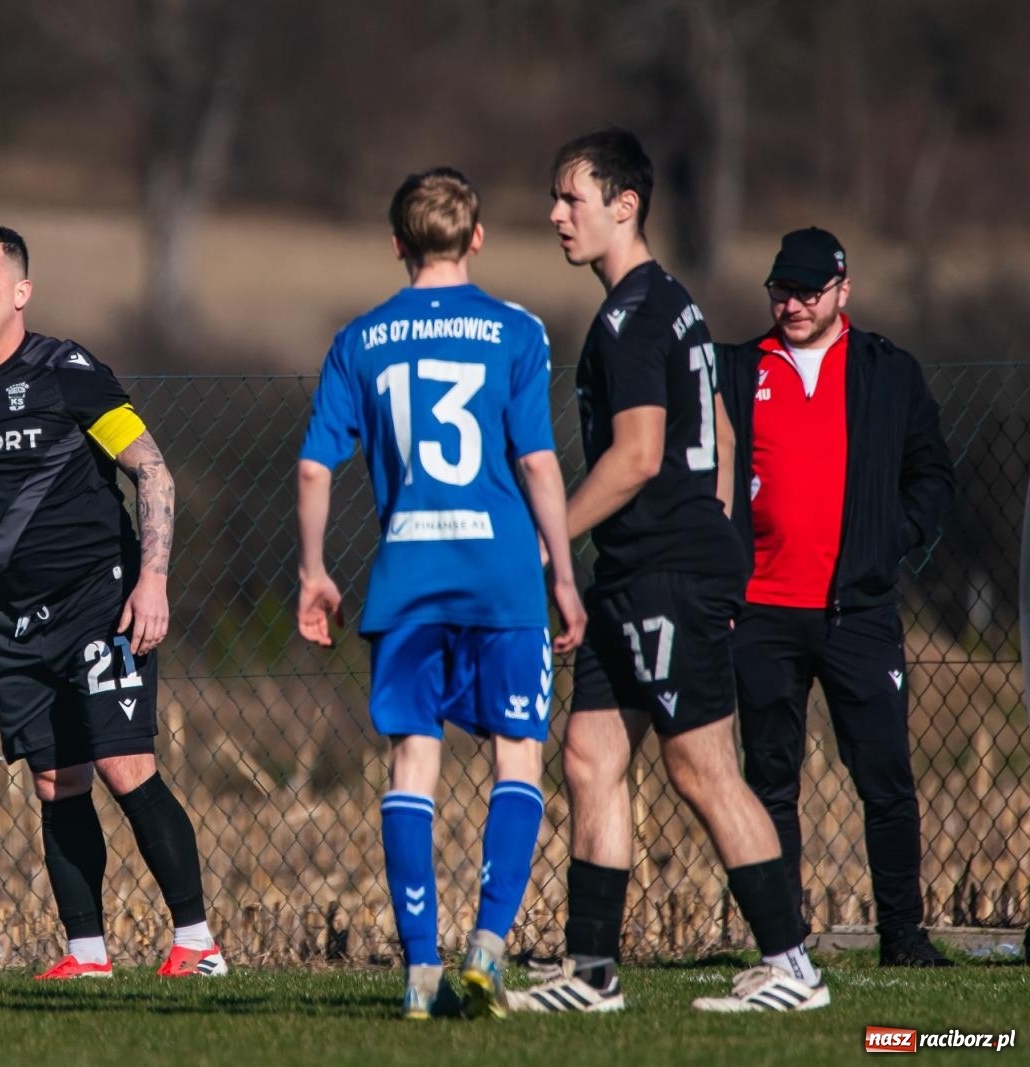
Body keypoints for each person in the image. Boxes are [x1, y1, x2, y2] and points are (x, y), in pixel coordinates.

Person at [512, 129, 828, 1013]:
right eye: (555, 198)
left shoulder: (634, 316)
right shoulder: (665, 303)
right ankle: (591, 972)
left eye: (572, 199)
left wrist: (546, 538)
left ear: (625, 206)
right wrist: (724, 540)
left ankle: (792, 965)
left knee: (700, 767)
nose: (555, 215)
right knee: (588, 755)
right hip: (640, 572)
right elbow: (723, 435)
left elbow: (641, 454)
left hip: (664, 574)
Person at [295, 167, 587, 1020]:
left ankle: (421, 970)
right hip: (501, 577)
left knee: (412, 762)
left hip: (408, 580)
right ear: (478, 238)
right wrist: (562, 573)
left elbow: (316, 463)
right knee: (518, 754)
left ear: (395, 244)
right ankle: (487, 954)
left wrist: (314, 568)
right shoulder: (517, 331)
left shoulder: (360, 338)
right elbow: (536, 460)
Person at [0, 224, 223, 980]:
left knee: (124, 762)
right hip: (16, 618)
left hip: (99, 601)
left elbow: (153, 473)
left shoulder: (65, 369)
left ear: (20, 292)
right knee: (56, 782)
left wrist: (153, 579)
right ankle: (87, 953)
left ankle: (198, 942)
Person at [715, 227, 956, 967]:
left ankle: (904, 936)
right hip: (761, 611)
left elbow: (933, 477)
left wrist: (891, 538)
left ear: (842, 291)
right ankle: (782, 948)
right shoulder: (734, 370)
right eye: (781, 290)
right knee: (770, 782)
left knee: (884, 778)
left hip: (858, 610)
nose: (791, 304)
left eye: (808, 292)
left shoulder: (887, 372)